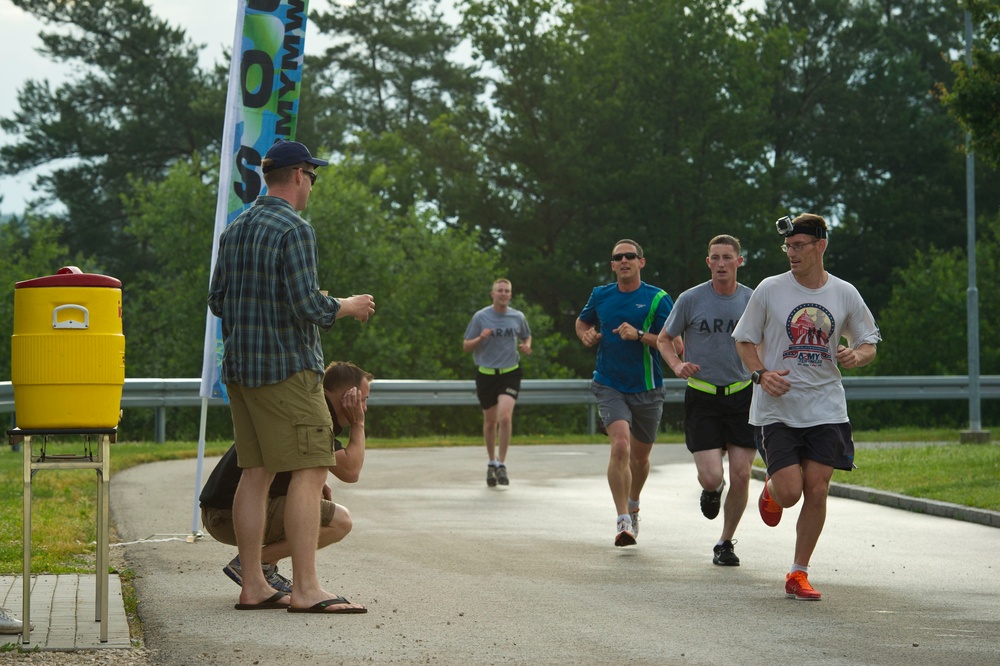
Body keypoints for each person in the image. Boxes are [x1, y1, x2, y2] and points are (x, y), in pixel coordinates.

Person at [208, 139, 375, 614]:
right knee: (310, 468)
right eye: (313, 176)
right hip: (287, 369)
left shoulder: (236, 227)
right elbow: (308, 306)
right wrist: (346, 305)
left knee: (256, 473)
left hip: (239, 371)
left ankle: (254, 584)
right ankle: (306, 589)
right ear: (299, 174)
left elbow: (218, 301)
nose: (311, 185)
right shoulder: (295, 228)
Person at [732, 213, 880, 600]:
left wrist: (857, 356)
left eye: (799, 246)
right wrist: (761, 374)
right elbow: (744, 341)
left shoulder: (843, 293)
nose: (791, 254)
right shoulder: (770, 289)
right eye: (788, 247)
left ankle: (798, 572)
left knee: (817, 489)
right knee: (791, 492)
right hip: (777, 408)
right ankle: (772, 491)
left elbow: (868, 342)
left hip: (826, 408)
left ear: (821, 246)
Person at [200, 361, 373, 595]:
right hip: (226, 515)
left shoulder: (300, 406)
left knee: (319, 504)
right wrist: (358, 424)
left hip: (218, 511)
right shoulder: (316, 414)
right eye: (363, 399)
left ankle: (259, 569)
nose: (364, 407)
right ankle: (256, 564)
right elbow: (351, 471)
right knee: (340, 521)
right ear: (348, 396)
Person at [657, 234, 756, 566]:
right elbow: (664, 339)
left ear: (739, 261)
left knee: (742, 474)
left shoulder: (753, 300)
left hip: (742, 395)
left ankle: (725, 542)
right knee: (713, 476)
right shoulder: (691, 299)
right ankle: (712, 490)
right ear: (708, 262)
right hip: (702, 396)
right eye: (715, 257)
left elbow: (770, 341)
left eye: (728, 257)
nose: (722, 264)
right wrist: (677, 365)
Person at [575, 239, 678, 546]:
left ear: (640, 262)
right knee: (620, 445)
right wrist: (587, 335)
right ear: (612, 265)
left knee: (640, 459)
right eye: (617, 257)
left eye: (629, 256)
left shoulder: (657, 298)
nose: (623, 261)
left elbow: (672, 340)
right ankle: (622, 520)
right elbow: (582, 323)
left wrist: (639, 335)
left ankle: (633, 503)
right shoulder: (601, 295)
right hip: (608, 383)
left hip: (647, 387)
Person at [463, 278, 532, 487]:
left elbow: (526, 336)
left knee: (505, 416)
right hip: (486, 374)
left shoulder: (517, 317)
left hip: (510, 372)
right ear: (492, 294)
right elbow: (466, 346)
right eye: (500, 290)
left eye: (507, 291)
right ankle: (491, 461)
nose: (503, 294)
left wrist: (526, 346)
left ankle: (502, 464)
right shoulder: (481, 317)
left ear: (510, 295)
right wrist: (480, 339)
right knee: (491, 421)